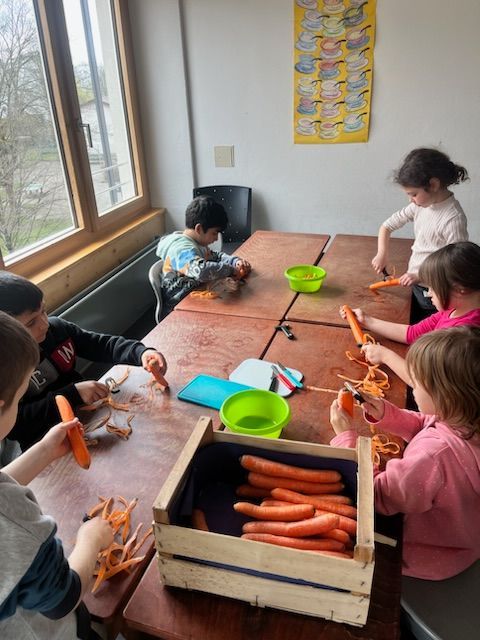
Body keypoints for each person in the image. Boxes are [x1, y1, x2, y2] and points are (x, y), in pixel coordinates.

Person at [330, 325, 480, 580]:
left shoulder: (432, 457)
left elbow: (375, 495)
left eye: (416, 384)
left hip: (433, 553)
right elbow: (428, 423)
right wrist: (386, 414)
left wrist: (346, 438)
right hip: (466, 536)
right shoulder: (466, 420)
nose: (412, 389)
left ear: (446, 398)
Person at [0, 311, 114, 639]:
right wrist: (92, 539)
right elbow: (62, 598)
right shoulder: (11, 516)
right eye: (20, 397)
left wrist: (45, 450)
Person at [0, 271, 167, 460]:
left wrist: (141, 352)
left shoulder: (57, 329)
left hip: (87, 418)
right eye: (31, 322)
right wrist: (73, 394)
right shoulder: (7, 367)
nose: (44, 324)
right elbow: (17, 424)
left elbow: (102, 344)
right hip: (44, 445)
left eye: (44, 311)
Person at [341, 242, 480, 385]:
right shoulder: (454, 311)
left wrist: (386, 356)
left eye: (433, 287)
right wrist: (366, 320)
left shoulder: (464, 337)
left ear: (459, 289)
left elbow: (426, 383)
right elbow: (413, 333)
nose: (428, 293)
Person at [371, 147, 469, 321]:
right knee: (413, 319)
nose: (410, 200)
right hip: (415, 282)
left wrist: (420, 276)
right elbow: (386, 226)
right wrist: (382, 254)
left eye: (414, 194)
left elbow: (455, 264)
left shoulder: (453, 218)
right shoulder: (420, 206)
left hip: (435, 291)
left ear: (433, 185)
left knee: (429, 326)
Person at [156, 195, 251, 312]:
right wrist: (231, 270)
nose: (216, 238)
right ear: (199, 229)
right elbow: (201, 271)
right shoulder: (181, 249)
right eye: (215, 233)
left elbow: (216, 256)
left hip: (197, 296)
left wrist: (235, 262)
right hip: (179, 307)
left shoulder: (197, 244)